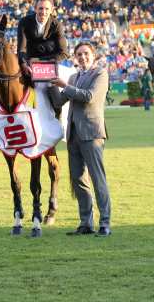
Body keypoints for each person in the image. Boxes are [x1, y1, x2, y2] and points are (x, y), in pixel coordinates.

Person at [49, 42, 111, 237]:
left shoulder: (100, 74)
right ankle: (86, 223)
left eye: (86, 54)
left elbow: (89, 97)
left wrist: (64, 85)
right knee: (78, 180)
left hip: (92, 133)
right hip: (74, 134)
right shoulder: (75, 76)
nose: (82, 57)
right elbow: (59, 102)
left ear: (93, 55)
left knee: (97, 179)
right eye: (79, 54)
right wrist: (47, 84)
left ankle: (105, 223)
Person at [17, 0, 69, 77]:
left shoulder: (57, 25)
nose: (43, 12)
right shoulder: (24, 22)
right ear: (35, 8)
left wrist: (38, 61)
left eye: (47, 9)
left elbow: (64, 53)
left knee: (53, 90)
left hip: (49, 66)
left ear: (52, 10)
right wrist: (23, 63)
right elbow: (21, 48)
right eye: (41, 8)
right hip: (28, 66)